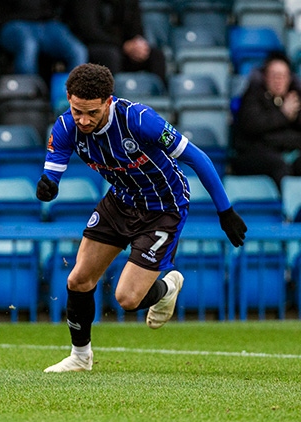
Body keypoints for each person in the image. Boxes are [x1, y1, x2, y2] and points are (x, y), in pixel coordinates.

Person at [37, 63, 247, 373]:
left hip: (163, 208)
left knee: (127, 299)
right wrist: (47, 186)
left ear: (108, 101)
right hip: (120, 201)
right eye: (77, 110)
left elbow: (197, 158)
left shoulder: (139, 120)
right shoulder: (66, 127)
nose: (83, 120)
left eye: (92, 113)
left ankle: (168, 288)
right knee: (79, 279)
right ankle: (80, 357)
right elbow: (52, 169)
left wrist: (225, 210)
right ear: (69, 98)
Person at [231, 51, 301, 189]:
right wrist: (283, 115)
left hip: (287, 153)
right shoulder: (252, 96)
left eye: (283, 76)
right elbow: (253, 127)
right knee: (278, 165)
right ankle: (285, 207)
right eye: (274, 76)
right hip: (255, 156)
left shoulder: (295, 96)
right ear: (265, 77)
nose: (279, 80)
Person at [62, 0, 166, 83]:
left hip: (122, 49)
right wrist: (124, 46)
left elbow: (136, 29)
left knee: (155, 55)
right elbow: (89, 32)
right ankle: (111, 103)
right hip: (91, 46)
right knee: (111, 55)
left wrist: (137, 44)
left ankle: (160, 102)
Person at [0, 0, 88, 75]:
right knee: (29, 45)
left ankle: (72, 94)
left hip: (46, 23)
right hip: (14, 22)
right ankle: (27, 92)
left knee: (78, 51)